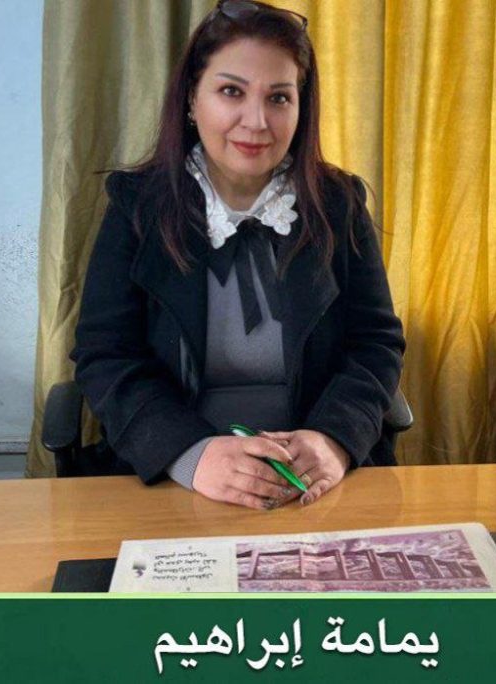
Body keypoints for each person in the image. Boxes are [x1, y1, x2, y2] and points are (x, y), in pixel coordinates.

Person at [71, 0, 405, 510]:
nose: (257, 121)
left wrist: (334, 440)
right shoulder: (137, 207)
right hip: (176, 479)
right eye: (232, 91)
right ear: (192, 99)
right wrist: (191, 456)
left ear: (301, 108)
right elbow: (106, 355)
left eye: (279, 97)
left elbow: (375, 344)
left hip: (312, 485)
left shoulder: (338, 204)